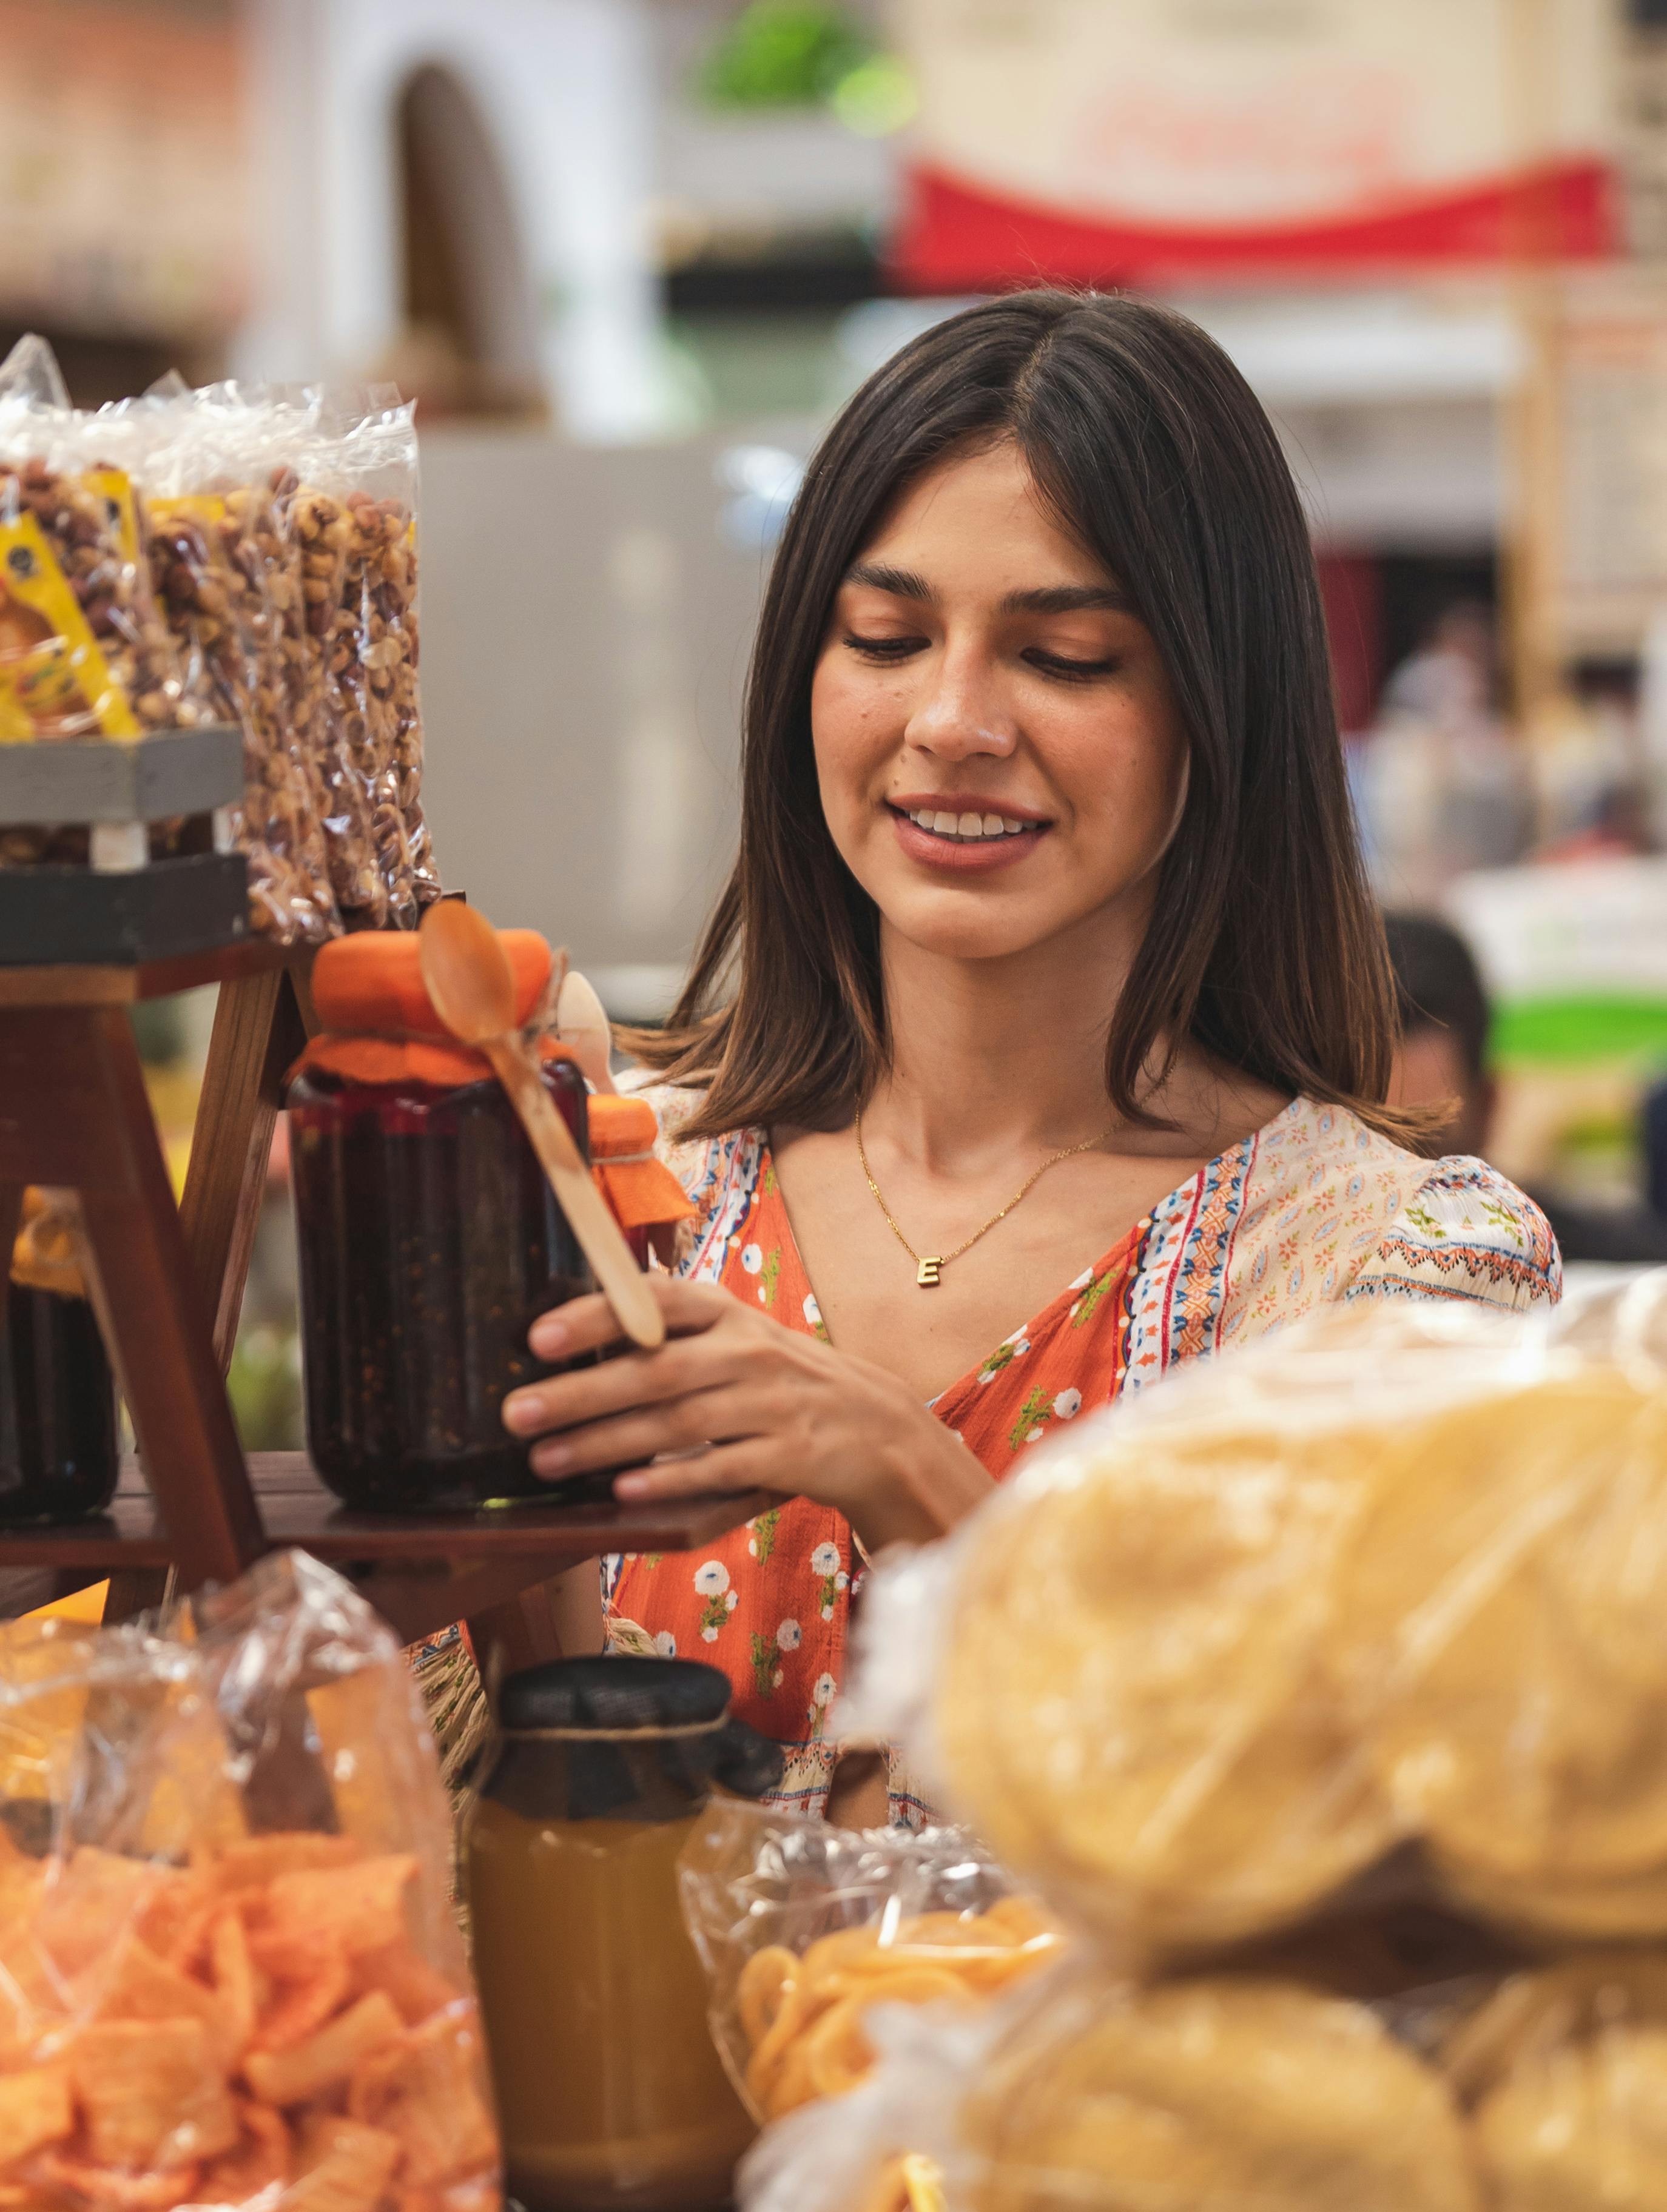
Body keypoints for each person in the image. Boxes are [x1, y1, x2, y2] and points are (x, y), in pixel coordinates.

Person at [502, 292, 1560, 1823]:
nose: (950, 720)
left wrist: (917, 1485)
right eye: (885, 637)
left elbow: (1334, 1854)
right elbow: (470, 1814)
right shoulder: (624, 1179)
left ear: (1219, 711)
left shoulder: (1376, 1275)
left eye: (1062, 657)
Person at [1386, 908, 1667, 1266]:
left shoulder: (1629, 1286)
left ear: (1491, 1104)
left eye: (1423, 1163)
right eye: (1357, 1149)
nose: (1392, 1197)